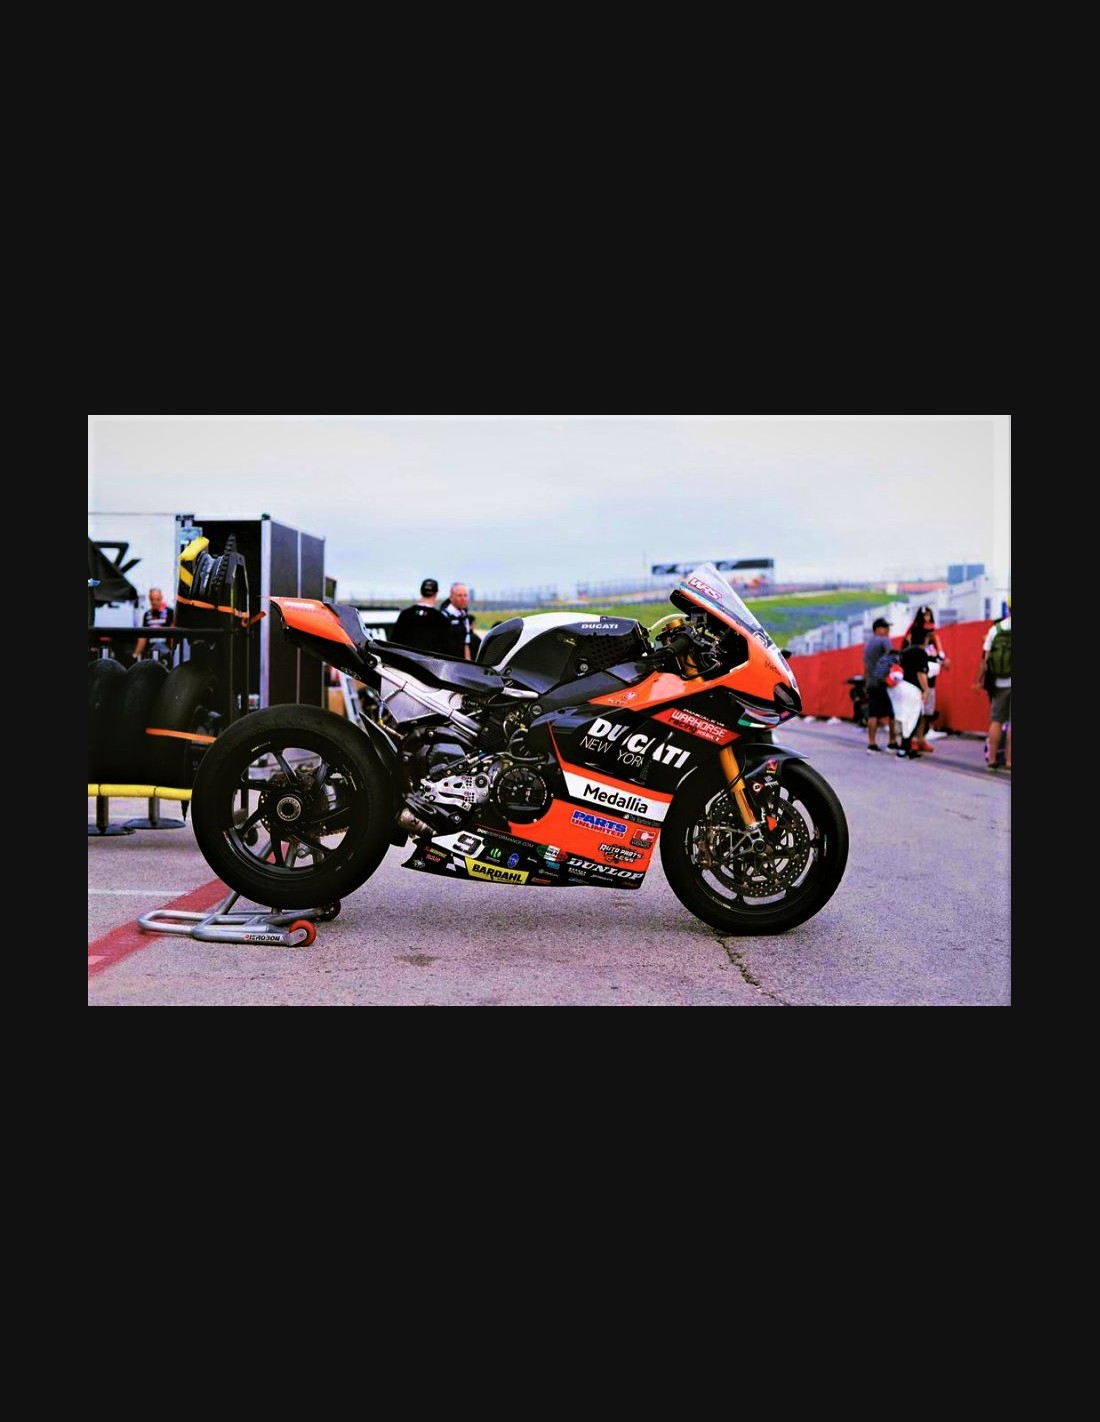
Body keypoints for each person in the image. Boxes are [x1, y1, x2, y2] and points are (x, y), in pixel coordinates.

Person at [906, 606, 950, 746]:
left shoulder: (933, 640)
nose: (927, 619)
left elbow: (940, 654)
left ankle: (921, 738)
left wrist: (943, 660)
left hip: (930, 678)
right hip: (916, 680)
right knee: (915, 710)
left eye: (929, 616)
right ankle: (911, 739)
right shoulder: (914, 641)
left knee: (926, 711)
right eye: (924, 616)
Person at [975, 608, 1011, 772]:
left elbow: (985, 660)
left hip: (998, 683)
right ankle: (1009, 762)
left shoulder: (995, 630)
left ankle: (992, 760)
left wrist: (978, 681)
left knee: (996, 721)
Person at [863, 618, 900, 753]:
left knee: (873, 714)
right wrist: (885, 678)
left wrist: (866, 683)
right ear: (878, 629)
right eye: (886, 627)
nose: (888, 630)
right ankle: (892, 742)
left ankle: (872, 743)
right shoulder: (884, 640)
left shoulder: (868, 645)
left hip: (871, 683)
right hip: (882, 683)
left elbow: (866, 666)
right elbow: (890, 658)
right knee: (892, 713)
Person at [391, 578, 453, 654]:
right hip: (428, 661)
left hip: (405, 659)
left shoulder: (405, 615)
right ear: (436, 594)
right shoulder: (441, 619)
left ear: (421, 592)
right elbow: (447, 649)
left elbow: (394, 643)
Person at [892, 637, 930, 758]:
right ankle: (904, 748)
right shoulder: (921, 652)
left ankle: (904, 747)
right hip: (913, 689)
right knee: (914, 719)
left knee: (906, 718)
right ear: (925, 639)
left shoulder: (904, 652)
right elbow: (920, 673)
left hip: (901, 687)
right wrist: (926, 690)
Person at [439, 582, 480, 661]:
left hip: (460, 663)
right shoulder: (443, 616)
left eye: (465, 595)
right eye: (459, 595)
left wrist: (468, 663)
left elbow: (466, 644)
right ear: (451, 597)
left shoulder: (464, 616)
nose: (463, 598)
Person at [133, 587, 175, 662]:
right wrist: (136, 654)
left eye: (157, 599)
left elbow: (173, 634)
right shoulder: (147, 614)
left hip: (165, 649)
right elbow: (143, 637)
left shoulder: (169, 612)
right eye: (152, 599)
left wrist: (172, 652)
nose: (154, 602)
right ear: (150, 599)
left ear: (161, 598)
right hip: (150, 649)